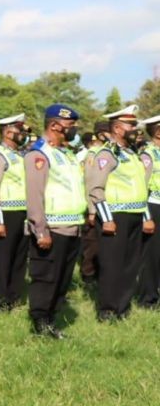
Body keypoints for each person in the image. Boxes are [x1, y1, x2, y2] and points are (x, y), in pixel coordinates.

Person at [86, 105, 154, 321]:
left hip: (134, 215)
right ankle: (107, 309)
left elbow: (141, 189)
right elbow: (96, 188)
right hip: (114, 217)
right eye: (130, 125)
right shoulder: (106, 154)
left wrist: (146, 217)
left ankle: (122, 308)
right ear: (116, 128)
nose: (135, 128)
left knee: (130, 265)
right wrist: (106, 218)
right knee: (112, 264)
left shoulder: (132, 154)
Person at [25, 104, 86, 338]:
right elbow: (35, 195)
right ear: (54, 125)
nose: (74, 130)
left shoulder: (66, 153)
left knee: (62, 278)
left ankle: (52, 318)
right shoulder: (39, 154)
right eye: (70, 126)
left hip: (72, 226)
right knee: (46, 278)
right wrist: (41, 231)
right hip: (52, 227)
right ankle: (40, 322)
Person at [0, 114, 30, 311]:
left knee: (20, 256)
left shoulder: (20, 154)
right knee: (3, 258)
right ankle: (1, 300)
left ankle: (14, 295)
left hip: (23, 212)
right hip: (5, 213)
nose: (23, 134)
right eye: (19, 130)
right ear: (7, 131)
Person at [79, 121, 112, 288]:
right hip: (94, 206)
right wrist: (92, 210)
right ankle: (88, 277)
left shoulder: (110, 152)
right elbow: (90, 183)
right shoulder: (93, 153)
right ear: (101, 134)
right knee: (92, 246)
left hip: (107, 206)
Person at [137, 114, 160, 307]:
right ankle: (149, 298)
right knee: (152, 255)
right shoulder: (147, 155)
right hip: (154, 207)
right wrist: (146, 217)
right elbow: (141, 189)